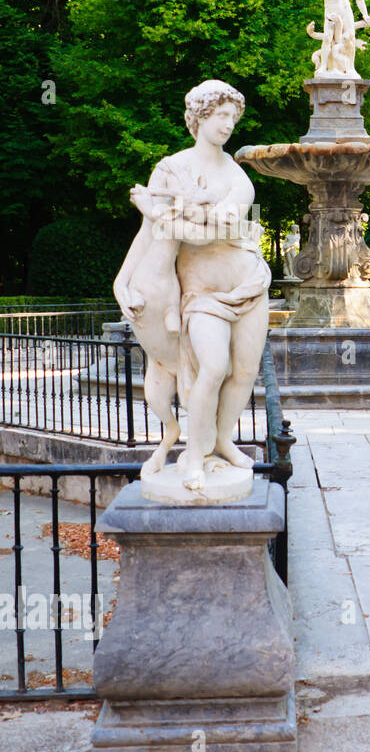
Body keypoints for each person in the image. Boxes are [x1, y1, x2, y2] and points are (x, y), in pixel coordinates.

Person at [114, 80, 270, 493]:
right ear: (200, 117)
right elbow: (148, 236)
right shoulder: (170, 169)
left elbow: (218, 226)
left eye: (233, 118)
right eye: (222, 116)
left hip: (250, 282)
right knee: (214, 366)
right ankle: (195, 453)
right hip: (200, 293)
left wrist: (163, 212)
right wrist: (121, 281)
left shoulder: (238, 176)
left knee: (244, 372)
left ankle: (222, 439)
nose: (229, 125)